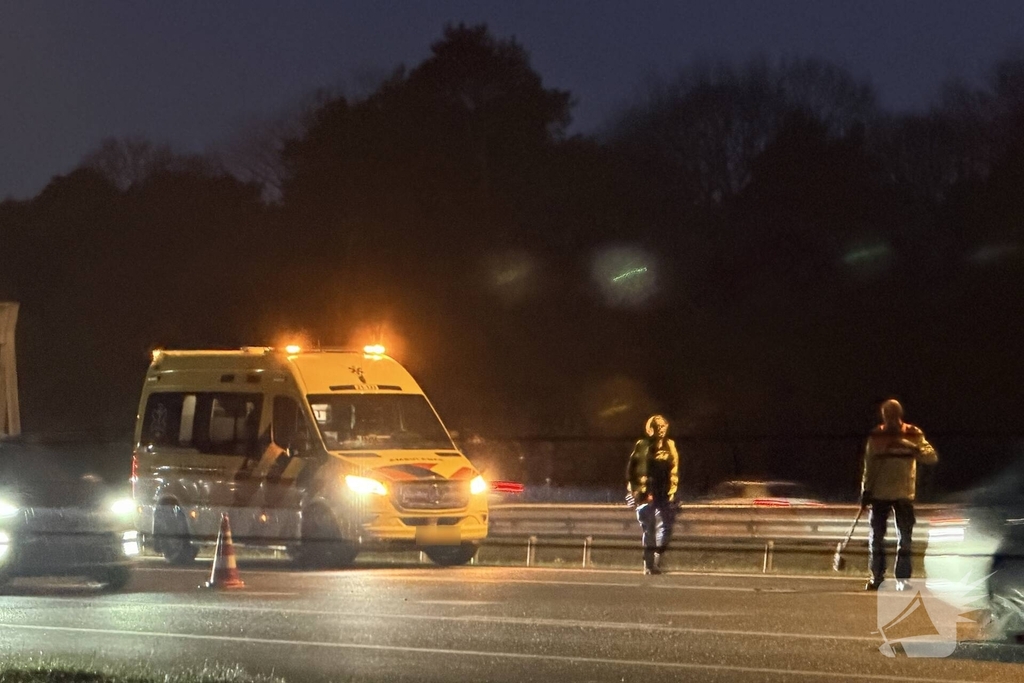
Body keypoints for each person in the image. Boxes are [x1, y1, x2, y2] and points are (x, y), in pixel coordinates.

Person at [860, 399, 938, 591]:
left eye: (893, 415)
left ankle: (901, 580)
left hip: (903, 494)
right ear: (884, 416)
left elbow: (931, 457)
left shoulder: (913, 433)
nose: (890, 419)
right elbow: (868, 466)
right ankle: (877, 577)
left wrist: (912, 447)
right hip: (880, 493)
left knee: (904, 538)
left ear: (899, 415)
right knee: (877, 538)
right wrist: (865, 491)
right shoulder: (877, 435)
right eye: (888, 415)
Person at [626, 414, 680, 575]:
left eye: (664, 427)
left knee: (667, 528)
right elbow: (632, 469)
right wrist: (635, 490)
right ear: (650, 429)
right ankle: (649, 565)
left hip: (664, 493)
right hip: (646, 493)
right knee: (648, 529)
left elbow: (674, 471)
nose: (661, 430)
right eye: (658, 427)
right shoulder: (642, 445)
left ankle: (656, 560)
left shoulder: (670, 445)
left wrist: (673, 493)